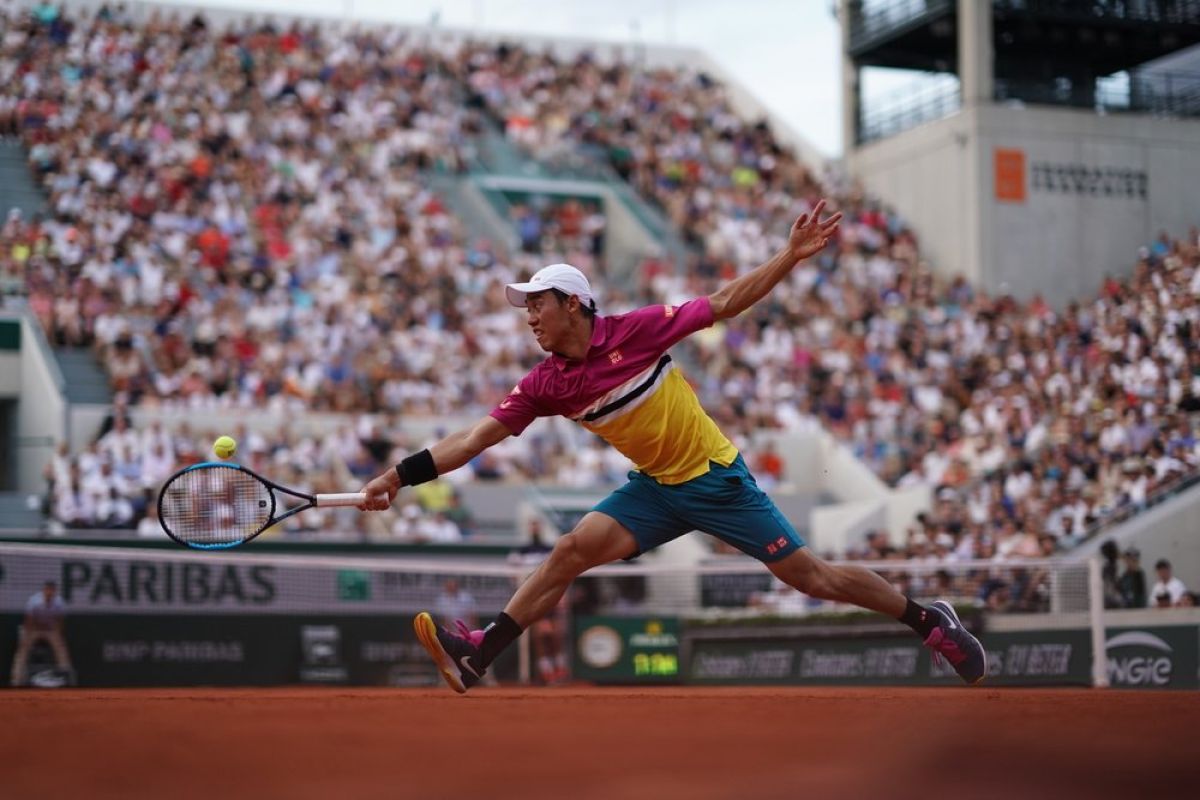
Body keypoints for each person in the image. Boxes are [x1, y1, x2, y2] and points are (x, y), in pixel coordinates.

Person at [360, 201, 987, 692]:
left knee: (811, 578)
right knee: (570, 550)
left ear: (574, 304)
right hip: (656, 491)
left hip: (716, 479)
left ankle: (928, 620)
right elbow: (474, 438)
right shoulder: (546, 383)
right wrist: (399, 474)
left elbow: (723, 303)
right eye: (525, 307)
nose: (528, 316)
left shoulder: (634, 330)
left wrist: (788, 256)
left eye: (537, 304)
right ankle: (478, 655)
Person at [10, 581, 74, 686]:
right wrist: (27, 636)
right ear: (44, 590)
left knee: (60, 647)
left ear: (54, 592)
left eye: (51, 591)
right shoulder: (34, 601)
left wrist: (57, 634)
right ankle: (16, 679)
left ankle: (65, 677)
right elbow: (28, 621)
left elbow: (60, 621)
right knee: (23, 649)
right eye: (47, 590)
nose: (49, 593)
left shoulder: (59, 602)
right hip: (34, 629)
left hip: (50, 629)